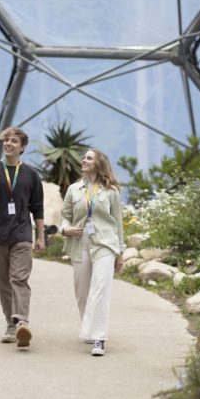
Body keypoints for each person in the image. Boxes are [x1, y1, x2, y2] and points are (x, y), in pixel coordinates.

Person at [0, 126, 45, 348]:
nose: (9, 144)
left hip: (22, 235)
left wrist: (40, 236)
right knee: (2, 282)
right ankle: (10, 323)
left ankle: (22, 321)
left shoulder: (31, 175)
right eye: (6, 140)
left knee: (19, 278)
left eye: (14, 141)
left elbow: (38, 208)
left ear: (22, 147)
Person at [60, 149, 124, 356]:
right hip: (80, 242)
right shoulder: (74, 189)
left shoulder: (111, 191)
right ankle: (89, 328)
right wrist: (65, 229)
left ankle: (99, 337)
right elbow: (65, 216)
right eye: (84, 158)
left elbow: (118, 224)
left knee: (100, 289)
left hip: (105, 243)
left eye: (89, 158)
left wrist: (120, 252)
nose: (84, 160)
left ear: (99, 163)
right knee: (82, 291)